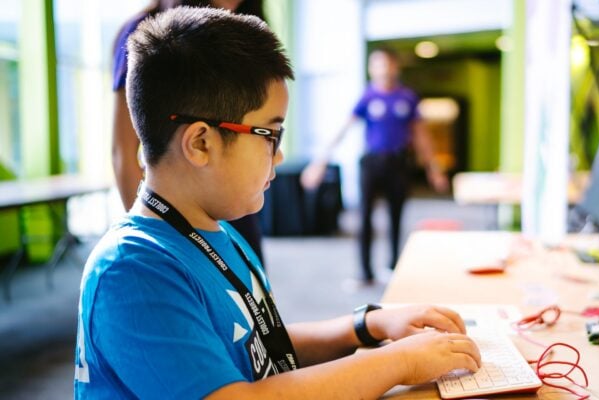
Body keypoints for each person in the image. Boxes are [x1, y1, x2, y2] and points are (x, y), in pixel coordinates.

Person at [75, 7, 480, 399]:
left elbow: (257, 346)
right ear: (200, 143)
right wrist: (396, 363)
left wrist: (366, 325)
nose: (279, 155)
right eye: (270, 135)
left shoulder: (216, 230)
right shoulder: (133, 271)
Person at [111, 0, 268, 264]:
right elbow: (123, 151)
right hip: (178, 211)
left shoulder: (250, 31)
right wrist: (150, 234)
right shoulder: (146, 32)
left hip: (235, 206)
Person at [301, 47, 448, 285]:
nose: (382, 69)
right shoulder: (368, 97)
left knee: (396, 217)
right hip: (372, 163)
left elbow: (421, 135)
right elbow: (343, 129)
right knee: (365, 217)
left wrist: (434, 168)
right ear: (371, 68)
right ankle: (365, 272)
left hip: (399, 163)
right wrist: (319, 162)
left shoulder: (407, 98)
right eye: (376, 64)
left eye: (387, 64)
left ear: (395, 67)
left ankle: (392, 267)